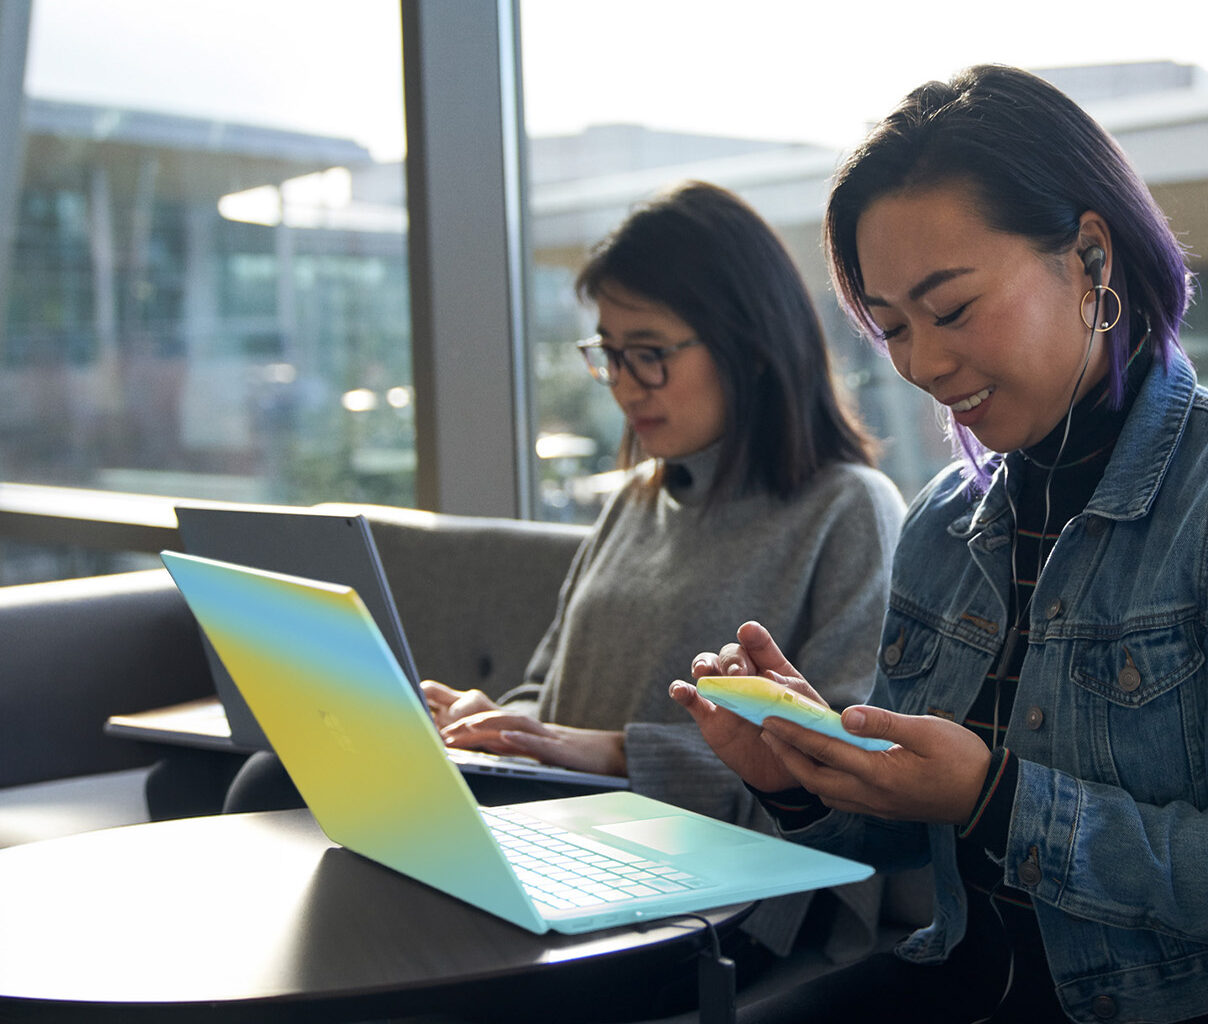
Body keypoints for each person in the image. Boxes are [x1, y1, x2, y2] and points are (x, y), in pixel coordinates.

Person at [669, 66, 1208, 1023]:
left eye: (951, 309)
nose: (924, 365)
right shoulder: (946, 519)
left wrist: (998, 798)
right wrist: (800, 774)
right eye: (890, 327)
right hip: (963, 977)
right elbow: (908, 834)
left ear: (1092, 260)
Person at [228, 181, 907, 979]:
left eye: (649, 353)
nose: (623, 384)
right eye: (610, 354)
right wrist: (494, 723)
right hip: (565, 834)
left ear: (750, 347)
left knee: (279, 803)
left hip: (707, 889)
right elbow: (545, 690)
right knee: (260, 780)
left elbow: (833, 774)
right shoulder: (635, 500)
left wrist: (616, 754)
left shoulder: (847, 510)